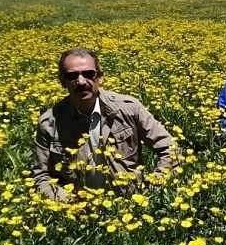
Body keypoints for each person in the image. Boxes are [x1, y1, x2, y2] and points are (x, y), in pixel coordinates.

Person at [32, 47, 177, 201]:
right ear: (63, 81)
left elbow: (170, 149)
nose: (81, 82)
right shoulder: (49, 123)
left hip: (129, 206)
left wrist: (153, 188)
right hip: (76, 212)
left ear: (100, 77)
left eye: (88, 74)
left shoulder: (129, 108)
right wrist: (68, 203)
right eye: (72, 76)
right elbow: (41, 176)